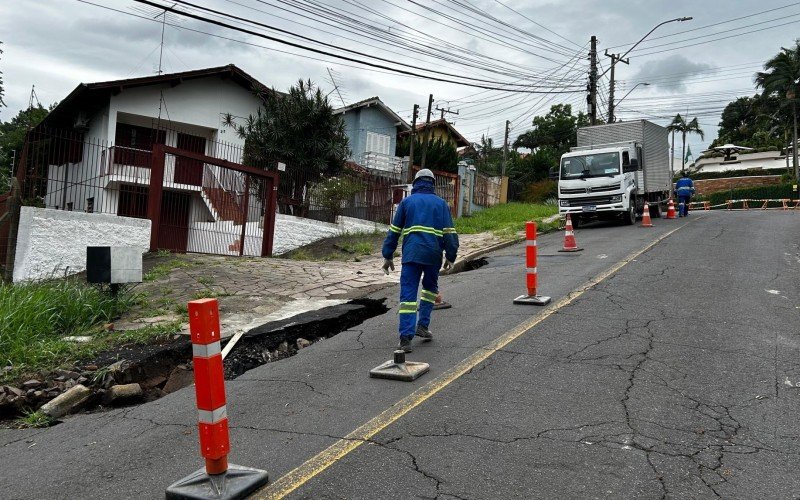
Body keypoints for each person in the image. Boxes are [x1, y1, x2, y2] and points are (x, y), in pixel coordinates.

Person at [381, 169, 459, 353]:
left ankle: (405, 339)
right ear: (432, 183)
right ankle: (423, 326)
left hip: (411, 255)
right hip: (433, 256)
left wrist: (388, 255)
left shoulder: (406, 203)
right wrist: (451, 256)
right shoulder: (441, 205)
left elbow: (394, 231)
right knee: (429, 290)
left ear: (415, 183)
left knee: (408, 295)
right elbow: (450, 234)